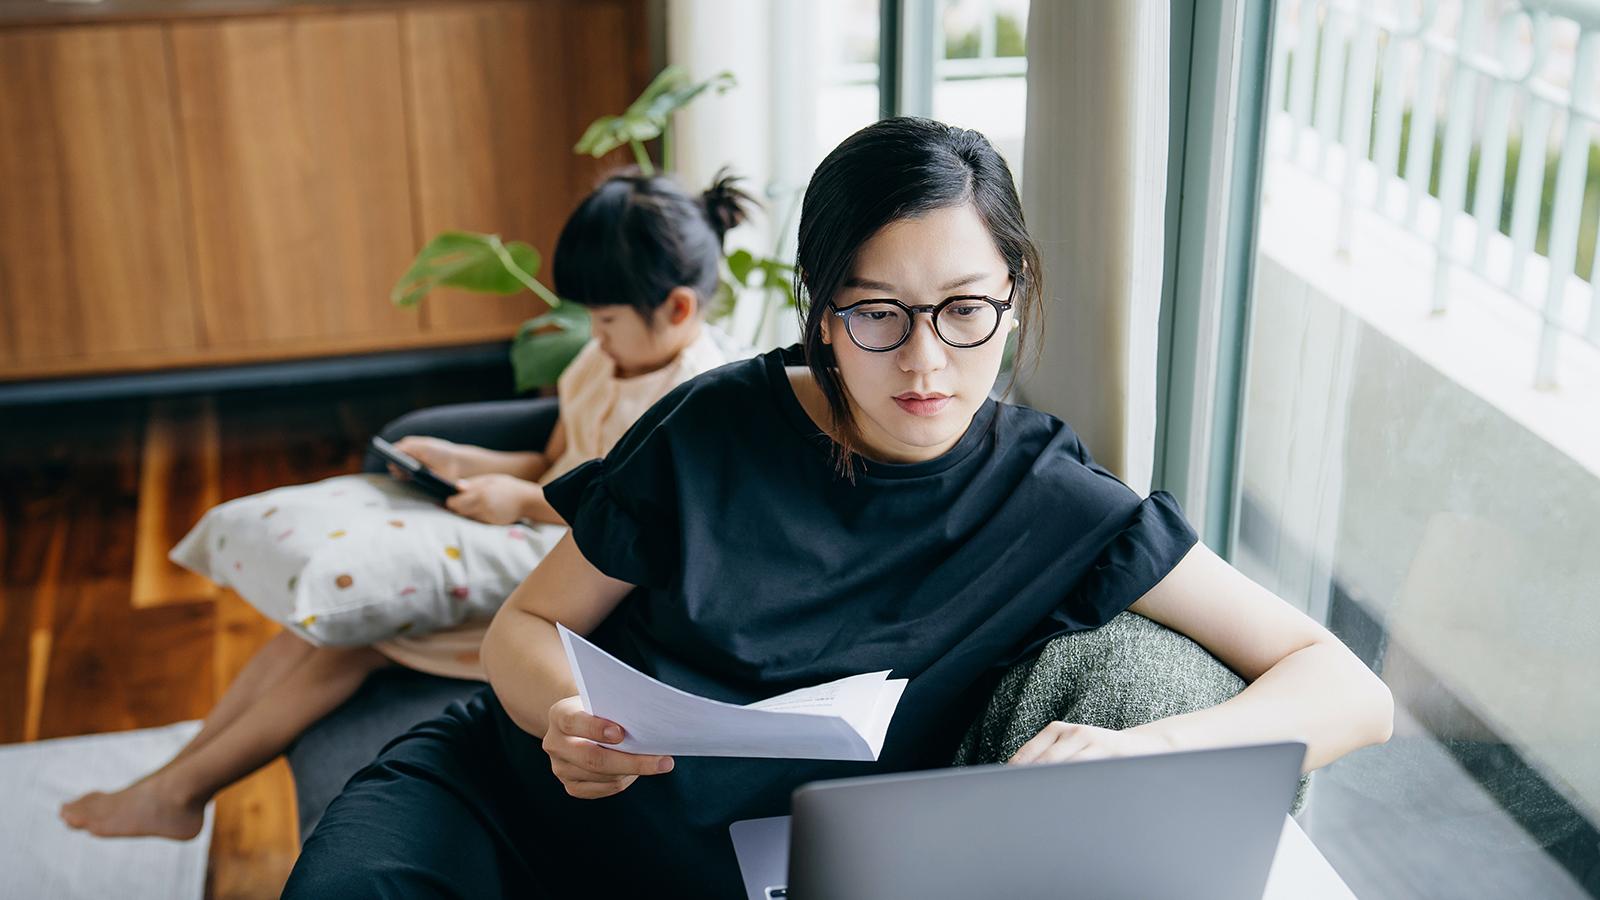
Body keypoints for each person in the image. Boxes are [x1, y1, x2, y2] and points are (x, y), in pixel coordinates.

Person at [282, 117, 1394, 898]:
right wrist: (557, 719)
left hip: (743, 872)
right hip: (513, 801)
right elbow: (527, 629)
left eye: (964, 310)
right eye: (877, 315)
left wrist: (1147, 750)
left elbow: (1349, 690)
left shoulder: (1050, 500)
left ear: (1014, 302)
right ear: (820, 313)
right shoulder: (715, 424)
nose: (924, 363)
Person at [57, 169, 754, 841]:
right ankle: (172, 781)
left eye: (604, 318)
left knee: (346, 646)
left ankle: (178, 794)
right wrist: (462, 463)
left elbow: (636, 527)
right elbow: (554, 461)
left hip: (580, 589)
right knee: (310, 632)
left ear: (679, 310)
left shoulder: (690, 403)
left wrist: (523, 501)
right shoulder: (605, 361)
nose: (593, 335)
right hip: (527, 536)